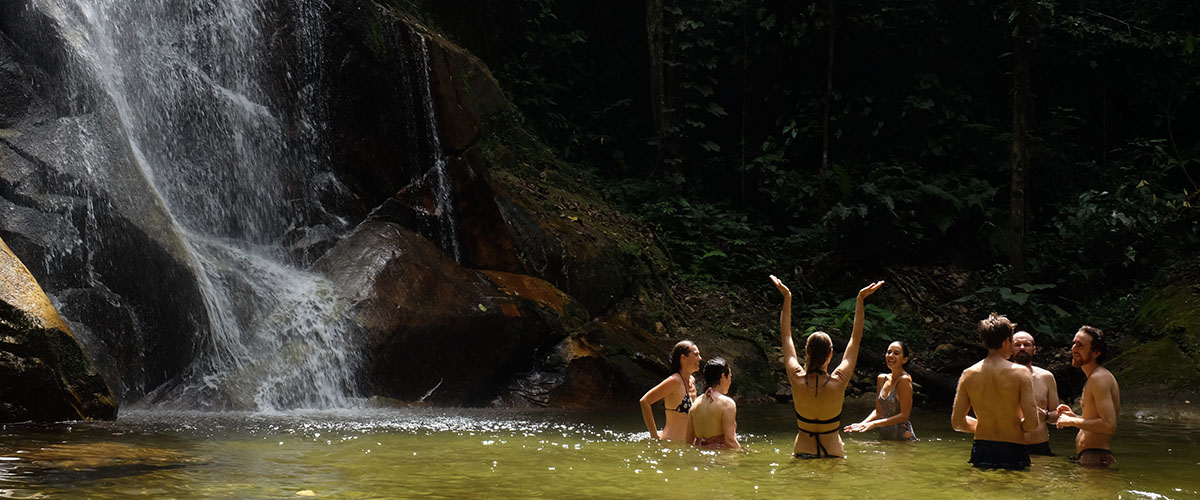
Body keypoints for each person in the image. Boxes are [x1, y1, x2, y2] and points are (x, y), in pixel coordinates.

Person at [771, 275, 884, 459]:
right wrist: (860, 300)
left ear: (806, 353)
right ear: (831, 354)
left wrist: (787, 296)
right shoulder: (839, 381)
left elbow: (786, 337)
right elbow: (855, 340)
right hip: (833, 453)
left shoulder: (796, 377)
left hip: (803, 452)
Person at [951, 313, 1039, 469]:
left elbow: (957, 422)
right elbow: (1032, 422)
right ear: (1006, 341)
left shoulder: (969, 374)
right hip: (1013, 447)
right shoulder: (1020, 373)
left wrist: (983, 425)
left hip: (982, 447)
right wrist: (1013, 426)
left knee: (981, 490)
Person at [1056, 325, 1120, 467]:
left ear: (1096, 352)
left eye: (1080, 345)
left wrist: (1071, 422)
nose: (1074, 349)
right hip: (1092, 457)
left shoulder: (1099, 378)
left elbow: (1109, 425)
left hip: (1096, 458)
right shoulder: (1095, 377)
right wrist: (1074, 417)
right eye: (1074, 343)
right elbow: (1096, 421)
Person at [844, 341, 917, 441]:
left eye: (896, 353)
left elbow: (904, 416)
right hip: (885, 435)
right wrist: (862, 424)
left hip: (903, 438)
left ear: (904, 359)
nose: (890, 356)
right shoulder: (882, 379)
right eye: (889, 352)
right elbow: (879, 412)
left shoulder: (904, 380)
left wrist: (873, 424)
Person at [639, 340, 702, 441]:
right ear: (683, 358)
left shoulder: (692, 381)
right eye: (696, 355)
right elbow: (645, 401)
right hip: (671, 445)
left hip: (688, 448)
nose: (700, 358)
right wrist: (654, 435)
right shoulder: (674, 381)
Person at [1010, 330, 1059, 455]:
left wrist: (1046, 416)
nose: (1022, 348)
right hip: (1010, 445)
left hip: (1040, 446)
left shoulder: (1046, 377)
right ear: (1010, 349)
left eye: (1026, 345)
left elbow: (1058, 416)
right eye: (1017, 345)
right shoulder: (1002, 377)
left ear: (1034, 350)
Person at [685, 357, 741, 450]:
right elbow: (730, 441)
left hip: (699, 458)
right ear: (723, 376)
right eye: (730, 376)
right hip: (719, 460)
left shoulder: (695, 404)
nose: (730, 380)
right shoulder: (727, 404)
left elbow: (688, 442)